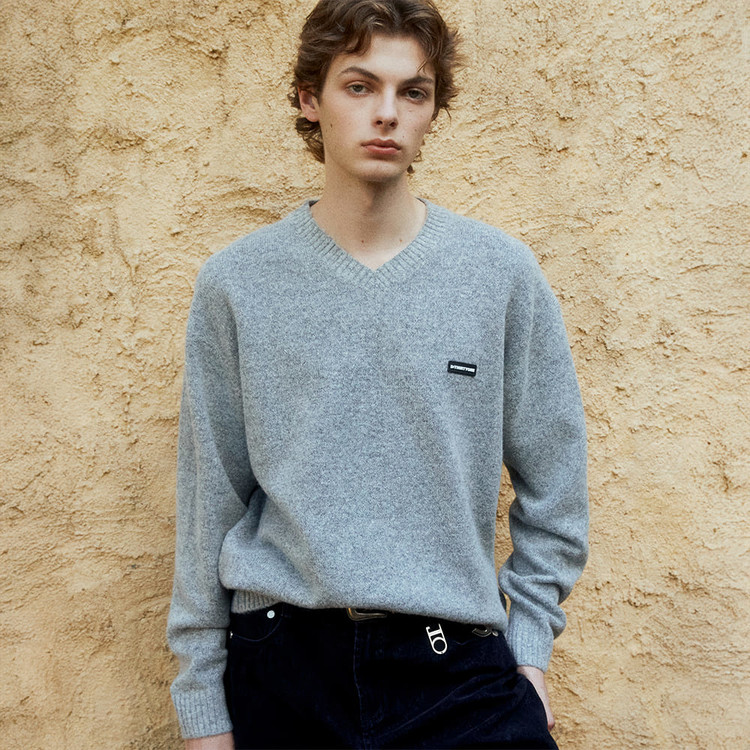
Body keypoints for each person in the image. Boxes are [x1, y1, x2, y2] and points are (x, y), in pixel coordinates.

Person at [166, 0, 589, 748]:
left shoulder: (498, 274)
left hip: (457, 669)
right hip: (284, 667)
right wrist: (202, 700)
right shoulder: (238, 283)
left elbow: (556, 483)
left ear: (433, 110)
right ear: (310, 99)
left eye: (412, 91)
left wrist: (528, 647)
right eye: (359, 86)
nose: (386, 112)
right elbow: (211, 499)